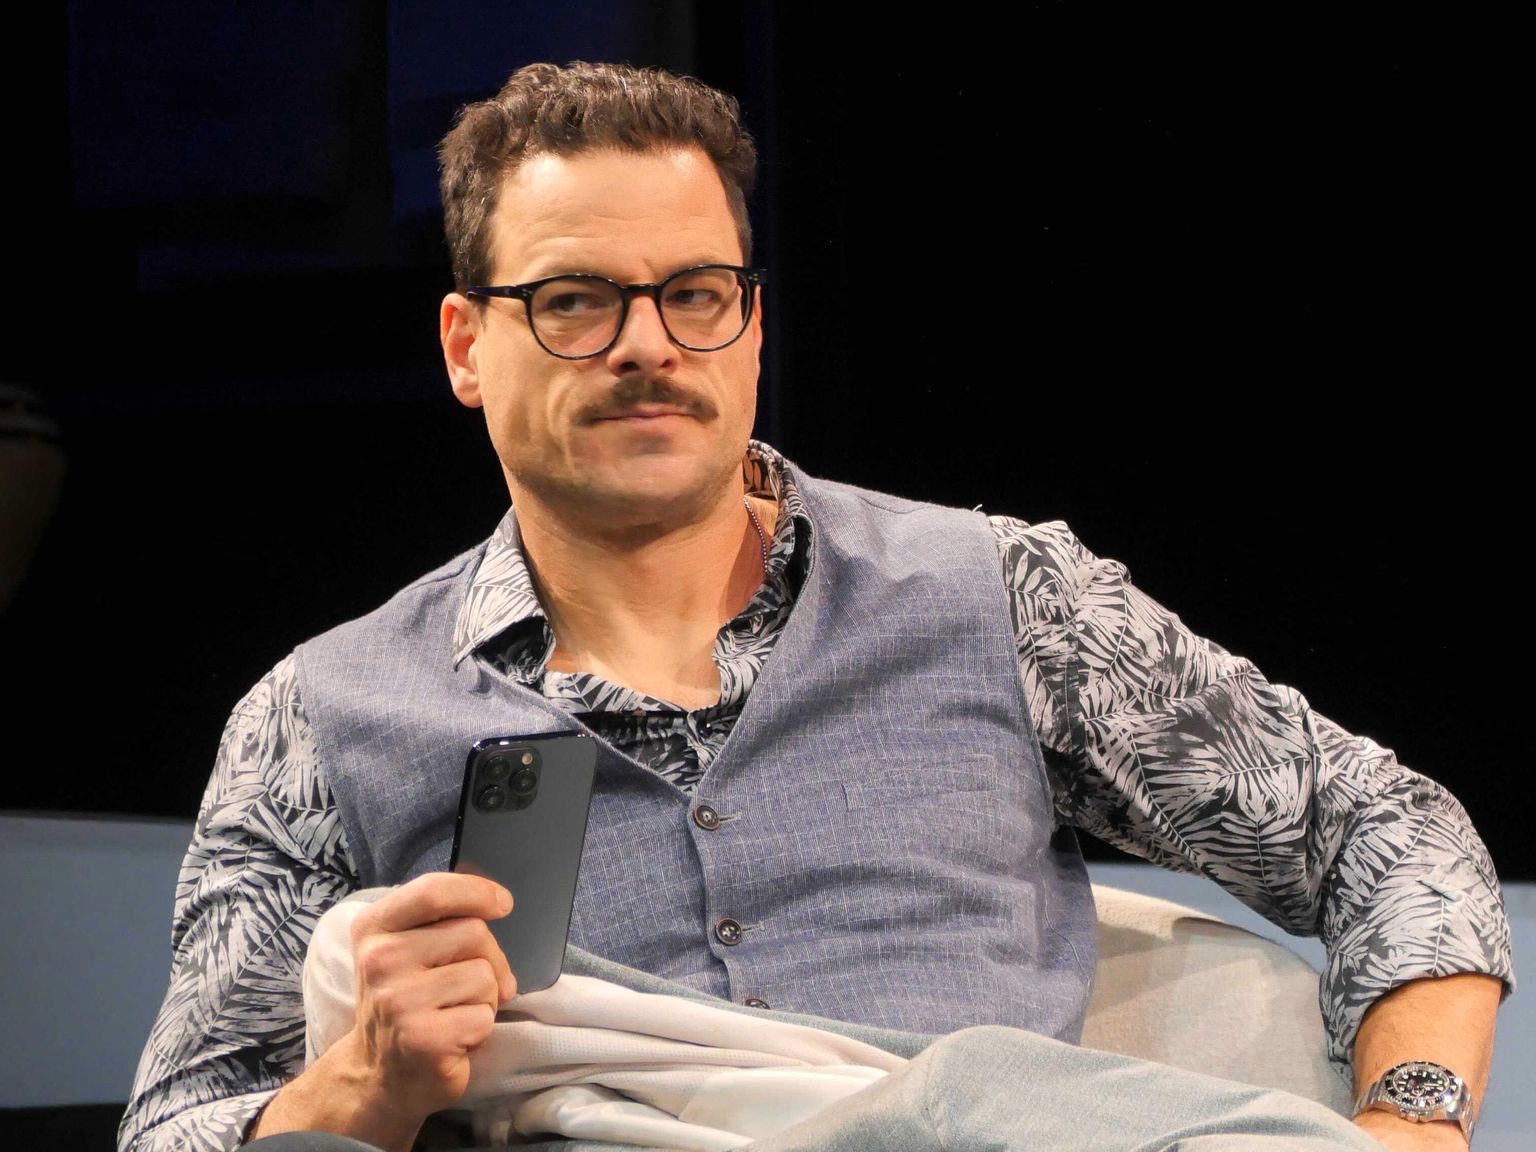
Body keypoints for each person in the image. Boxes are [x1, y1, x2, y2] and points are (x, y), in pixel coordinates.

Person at [119, 61, 1512, 1152]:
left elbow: (1386, 832)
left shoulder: (1001, 597)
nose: (649, 346)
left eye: (695, 294)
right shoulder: (324, 717)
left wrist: (1414, 1119)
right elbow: (180, 1123)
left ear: (752, 322)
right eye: (577, 302)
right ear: (466, 345)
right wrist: (363, 1085)